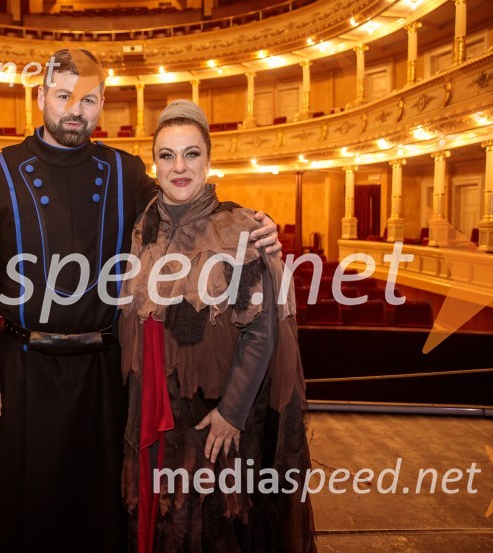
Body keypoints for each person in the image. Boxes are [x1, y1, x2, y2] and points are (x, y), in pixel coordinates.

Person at [0, 50, 281, 552]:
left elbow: (187, 205)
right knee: (20, 517)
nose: (74, 110)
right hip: (23, 371)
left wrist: (254, 226)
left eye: (87, 100)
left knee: (99, 516)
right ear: (41, 97)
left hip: (103, 374)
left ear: (101, 105)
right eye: (63, 96)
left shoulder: (124, 171)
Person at [118, 100, 317, 553]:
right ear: (155, 164)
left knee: (213, 521)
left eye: (191, 154)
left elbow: (261, 332)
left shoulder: (240, 228)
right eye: (167, 155)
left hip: (214, 409)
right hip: (151, 403)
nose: (180, 166)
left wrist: (232, 413)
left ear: (209, 161)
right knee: (161, 519)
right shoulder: (141, 226)